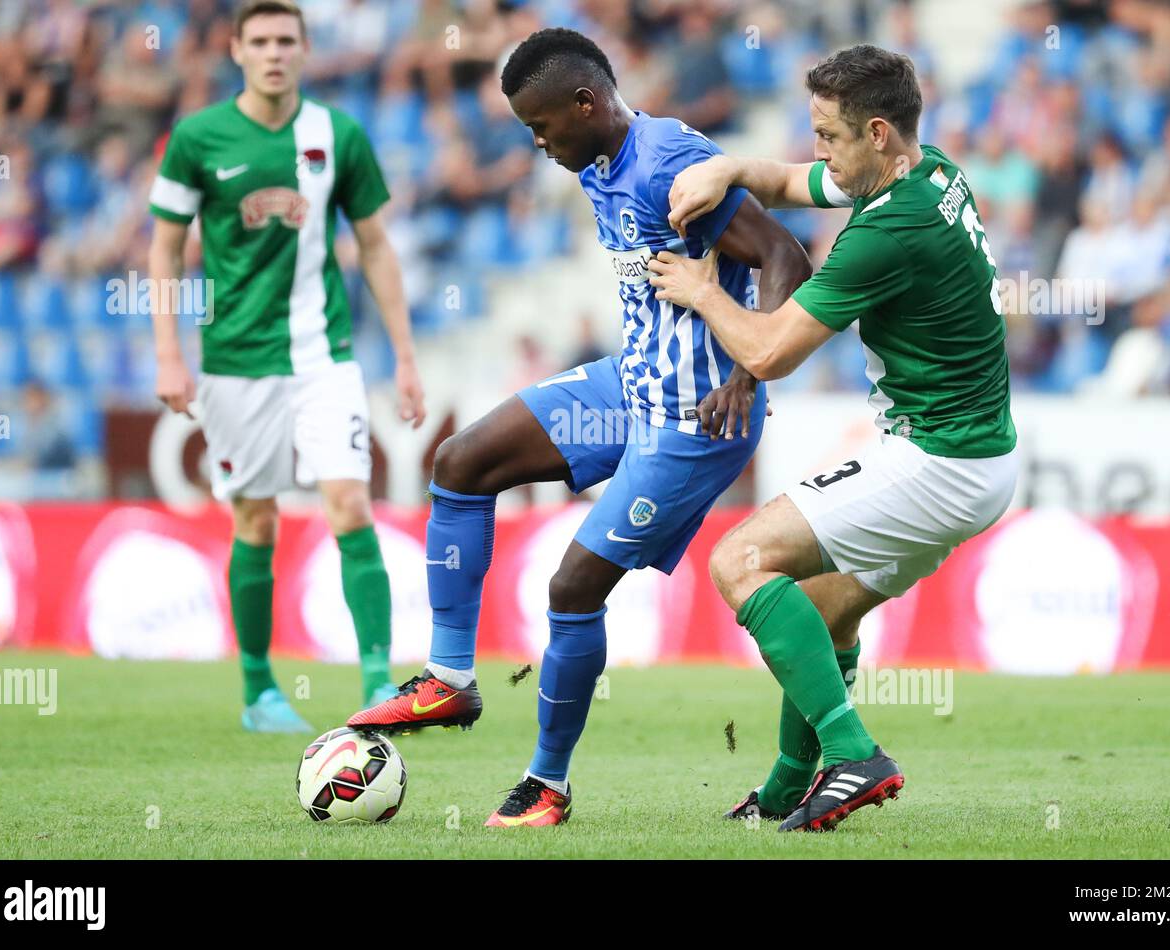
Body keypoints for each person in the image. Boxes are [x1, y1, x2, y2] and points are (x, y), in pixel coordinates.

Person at [346, 27, 813, 828]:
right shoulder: (598, 158)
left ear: (586, 103)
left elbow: (785, 255)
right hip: (629, 386)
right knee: (461, 462)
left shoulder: (668, 164)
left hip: (696, 417)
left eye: (541, 125)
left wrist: (748, 370)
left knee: (571, 588)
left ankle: (547, 786)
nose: (535, 142)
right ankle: (450, 678)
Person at [648, 44, 1019, 832]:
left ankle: (853, 754)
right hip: (973, 455)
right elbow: (791, 180)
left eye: (829, 135)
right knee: (822, 610)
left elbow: (769, 352)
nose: (817, 149)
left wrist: (702, 291)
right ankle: (788, 788)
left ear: (877, 132)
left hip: (938, 458)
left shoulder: (888, 231)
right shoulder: (931, 170)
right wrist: (730, 169)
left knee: (739, 559)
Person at [148, 0, 425, 733]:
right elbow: (164, 249)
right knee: (257, 522)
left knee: (350, 502)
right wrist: (169, 352)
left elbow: (373, 245)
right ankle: (259, 690)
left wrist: (403, 356)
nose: (274, 53)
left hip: (324, 355)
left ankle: (376, 677)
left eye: (286, 41)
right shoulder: (197, 138)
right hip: (235, 362)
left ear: (305, 50)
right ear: (236, 49)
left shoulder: (338, 134)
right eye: (260, 41)